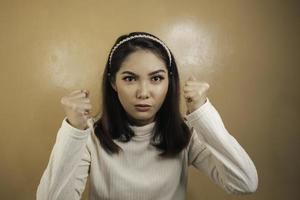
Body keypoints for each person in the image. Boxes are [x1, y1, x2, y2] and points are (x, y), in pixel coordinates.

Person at [36, 32, 258, 200]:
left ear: (169, 82)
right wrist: (74, 130)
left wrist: (202, 113)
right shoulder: (91, 137)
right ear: (114, 82)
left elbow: (245, 183)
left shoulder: (185, 135)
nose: (143, 93)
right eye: (130, 79)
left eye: (156, 78)